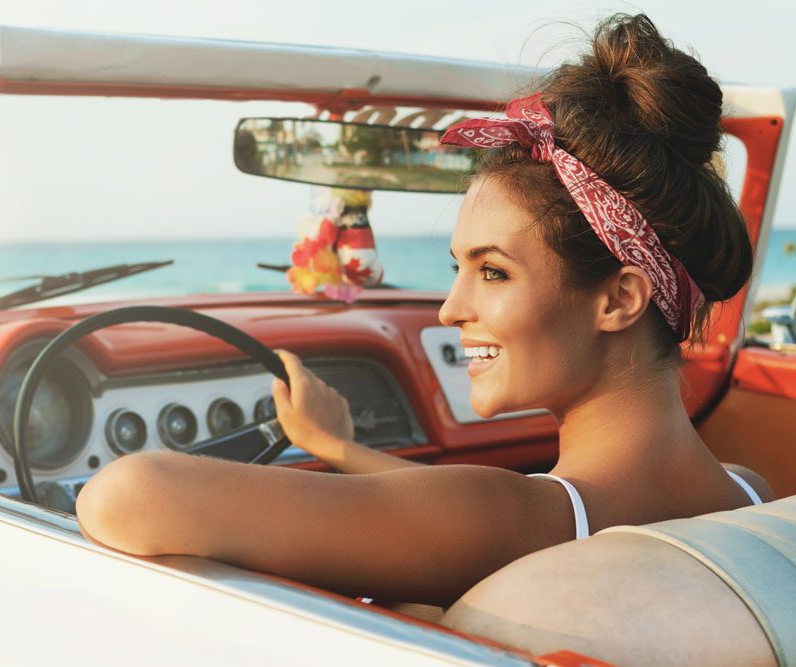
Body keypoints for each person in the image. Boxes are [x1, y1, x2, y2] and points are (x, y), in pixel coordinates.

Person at [76, 13, 773, 609]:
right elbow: (448, 512)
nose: (448, 309)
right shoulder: (751, 497)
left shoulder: (514, 519)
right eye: (457, 269)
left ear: (620, 298)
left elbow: (127, 494)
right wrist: (339, 450)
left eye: (492, 271)